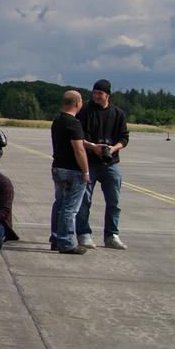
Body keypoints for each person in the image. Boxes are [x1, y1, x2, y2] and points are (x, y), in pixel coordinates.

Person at [76, 78, 130, 250]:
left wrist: (112, 149)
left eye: (100, 93)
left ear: (107, 94)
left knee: (114, 200)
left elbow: (124, 138)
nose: (96, 96)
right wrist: (93, 147)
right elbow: (77, 138)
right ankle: (84, 234)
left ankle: (112, 235)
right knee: (85, 199)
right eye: (94, 93)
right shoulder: (85, 112)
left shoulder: (118, 114)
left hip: (110, 162)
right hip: (90, 160)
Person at [50, 90, 91, 254]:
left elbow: (78, 142)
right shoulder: (73, 123)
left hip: (58, 166)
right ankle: (66, 242)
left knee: (59, 204)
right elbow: (79, 149)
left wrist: (93, 146)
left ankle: (56, 239)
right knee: (70, 208)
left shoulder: (58, 120)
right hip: (72, 170)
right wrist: (86, 171)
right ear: (77, 103)